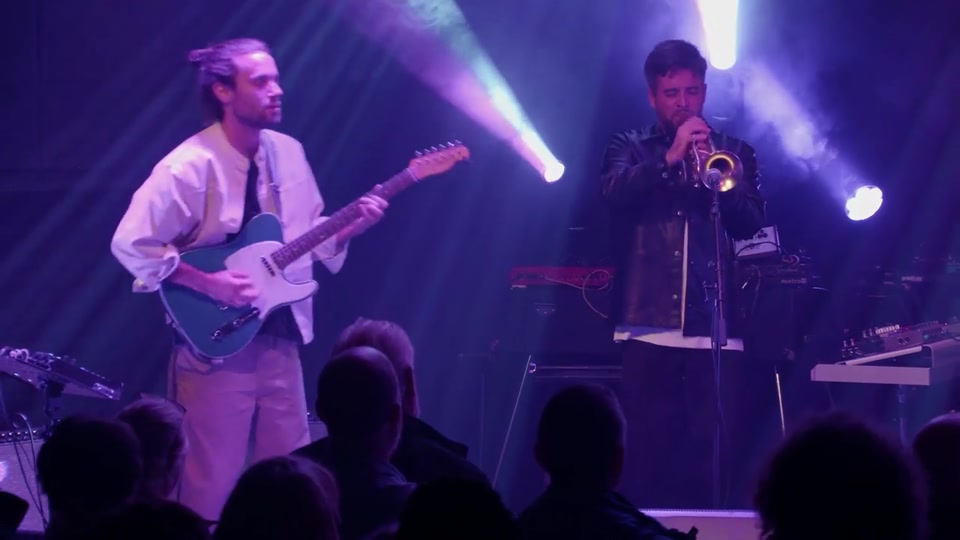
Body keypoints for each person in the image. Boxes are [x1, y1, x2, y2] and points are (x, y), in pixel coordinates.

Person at [111, 37, 388, 521]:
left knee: (293, 474)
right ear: (223, 90)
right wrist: (209, 283)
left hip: (281, 335)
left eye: (276, 79)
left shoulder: (290, 153)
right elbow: (133, 243)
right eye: (260, 82)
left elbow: (310, 236)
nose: (276, 90)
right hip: (215, 346)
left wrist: (349, 228)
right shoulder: (188, 165)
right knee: (209, 479)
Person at [599, 39, 765, 508]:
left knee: (713, 460)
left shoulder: (734, 150)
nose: (683, 103)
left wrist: (718, 182)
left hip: (716, 327)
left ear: (704, 92)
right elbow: (612, 194)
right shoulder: (629, 146)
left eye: (692, 91)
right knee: (645, 459)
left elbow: (750, 222)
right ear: (653, 97)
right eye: (671, 93)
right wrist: (669, 158)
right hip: (648, 325)